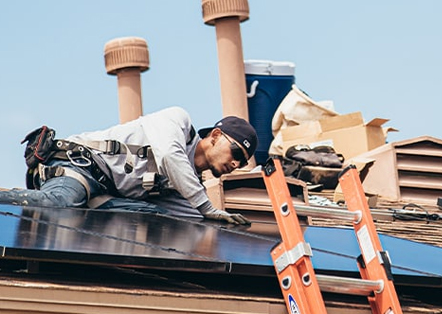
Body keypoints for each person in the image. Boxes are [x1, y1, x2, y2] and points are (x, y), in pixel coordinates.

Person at [0, 107, 256, 226]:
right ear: (215, 135)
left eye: (243, 162)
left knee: (157, 220)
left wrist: (226, 227)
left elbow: (197, 221)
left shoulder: (187, 190)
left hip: (100, 194)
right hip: (79, 167)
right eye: (236, 152)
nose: (236, 163)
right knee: (61, 203)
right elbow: (168, 155)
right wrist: (208, 207)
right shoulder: (178, 122)